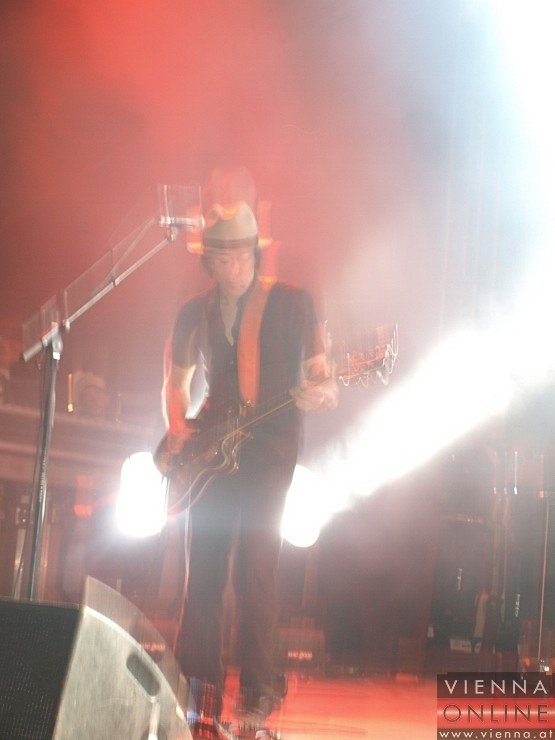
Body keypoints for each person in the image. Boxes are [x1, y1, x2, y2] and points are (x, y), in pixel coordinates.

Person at [162, 200, 337, 730]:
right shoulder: (193, 312)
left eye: (243, 256)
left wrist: (322, 392)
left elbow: (323, 378)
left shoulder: (292, 304)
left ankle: (259, 696)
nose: (236, 268)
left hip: (270, 450)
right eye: (224, 259)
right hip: (212, 450)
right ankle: (200, 693)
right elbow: (176, 384)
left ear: (256, 255)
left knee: (256, 572)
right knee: (204, 574)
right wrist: (178, 426)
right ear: (209, 262)